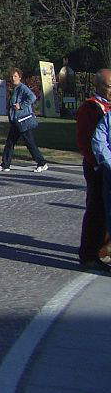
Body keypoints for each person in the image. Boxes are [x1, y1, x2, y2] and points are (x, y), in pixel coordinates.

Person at [78, 69, 111, 273]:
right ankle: (89, 254)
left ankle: (103, 249)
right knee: (96, 209)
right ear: (99, 86)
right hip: (97, 166)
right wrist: (98, 164)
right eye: (109, 86)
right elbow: (85, 141)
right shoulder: (89, 107)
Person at [0, 68, 48, 173]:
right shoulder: (15, 89)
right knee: (10, 142)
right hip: (16, 121)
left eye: (15, 76)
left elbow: (32, 97)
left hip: (22, 120)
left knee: (29, 143)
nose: (13, 78)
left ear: (19, 77)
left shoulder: (22, 88)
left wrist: (21, 105)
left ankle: (42, 163)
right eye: (12, 76)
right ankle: (5, 165)